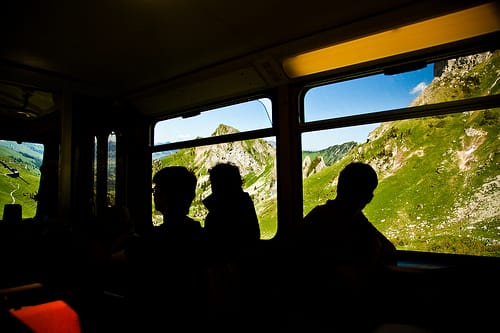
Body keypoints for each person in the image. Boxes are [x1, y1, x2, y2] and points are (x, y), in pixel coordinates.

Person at [293, 162, 397, 331]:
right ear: (368, 197)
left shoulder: (319, 216)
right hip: (336, 314)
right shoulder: (352, 223)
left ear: (339, 188)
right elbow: (389, 251)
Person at [125, 166, 206, 331]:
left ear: (168, 195)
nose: (154, 194)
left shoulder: (156, 240)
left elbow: (110, 260)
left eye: (157, 190)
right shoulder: (196, 232)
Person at [202, 162, 260, 325]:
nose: (212, 187)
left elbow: (215, 244)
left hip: (226, 274)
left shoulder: (224, 210)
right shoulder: (243, 204)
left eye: (214, 183)